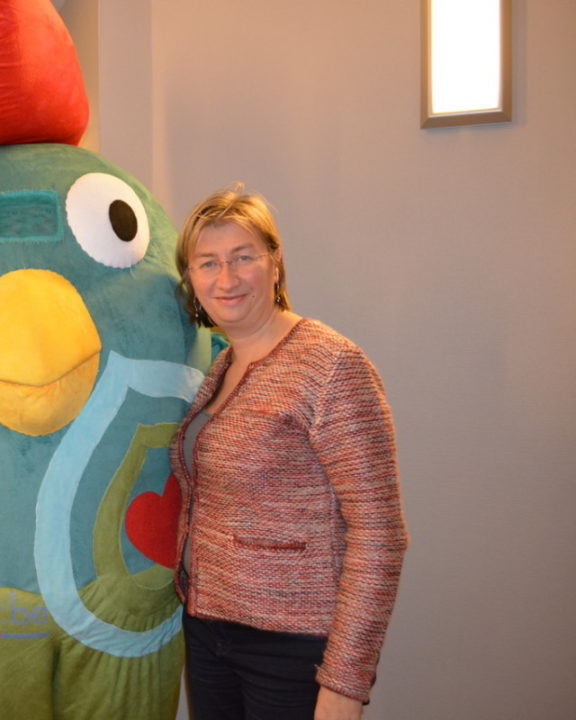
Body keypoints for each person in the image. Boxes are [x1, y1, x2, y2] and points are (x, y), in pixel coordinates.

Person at [170, 185, 408, 720]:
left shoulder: (330, 366)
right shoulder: (221, 366)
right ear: (191, 280)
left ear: (275, 263)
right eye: (207, 263)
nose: (226, 279)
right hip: (209, 632)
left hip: (292, 647)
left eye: (243, 257)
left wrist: (345, 683)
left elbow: (380, 532)